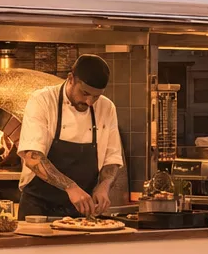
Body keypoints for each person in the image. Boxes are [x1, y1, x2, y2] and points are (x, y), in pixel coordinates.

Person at [17, 54, 127, 219]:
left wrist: (103, 187)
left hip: (82, 211)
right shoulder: (42, 100)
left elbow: (112, 159)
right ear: (70, 78)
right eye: (84, 93)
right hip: (38, 209)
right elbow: (33, 158)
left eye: (96, 96)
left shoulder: (106, 107)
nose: (90, 102)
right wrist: (71, 187)